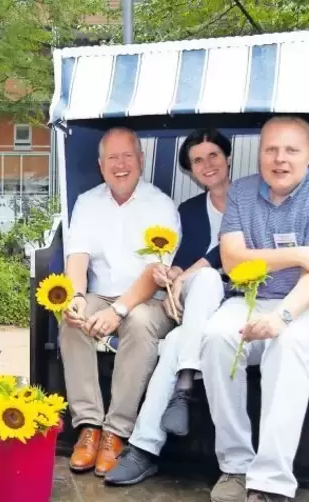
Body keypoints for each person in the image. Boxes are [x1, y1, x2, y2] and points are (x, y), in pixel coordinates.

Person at [200, 116, 309, 502]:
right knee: (217, 336)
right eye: (271, 149)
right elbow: (233, 261)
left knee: (288, 344)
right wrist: (300, 253)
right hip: (249, 300)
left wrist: (281, 317)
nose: (280, 159)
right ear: (259, 154)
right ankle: (235, 466)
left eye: (291, 150)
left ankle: (270, 483)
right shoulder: (243, 193)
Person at [105, 128, 232, 486]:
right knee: (202, 283)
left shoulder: (250, 200)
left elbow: (228, 249)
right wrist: (173, 274)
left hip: (238, 300)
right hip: (198, 303)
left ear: (228, 158)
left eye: (213, 156)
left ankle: (145, 446)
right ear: (190, 171)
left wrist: (185, 275)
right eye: (197, 161)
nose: (207, 165)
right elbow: (182, 260)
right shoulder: (190, 210)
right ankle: (182, 390)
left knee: (176, 344)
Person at [60, 127, 179, 477]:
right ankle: (89, 427)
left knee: (139, 324)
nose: (121, 164)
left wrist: (118, 311)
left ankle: (116, 432)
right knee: (70, 319)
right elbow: (77, 259)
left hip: (151, 298)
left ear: (140, 161)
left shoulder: (160, 205)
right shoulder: (87, 202)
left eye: (128, 156)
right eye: (113, 158)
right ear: (101, 165)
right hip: (100, 294)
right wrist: (77, 298)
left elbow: (155, 271)